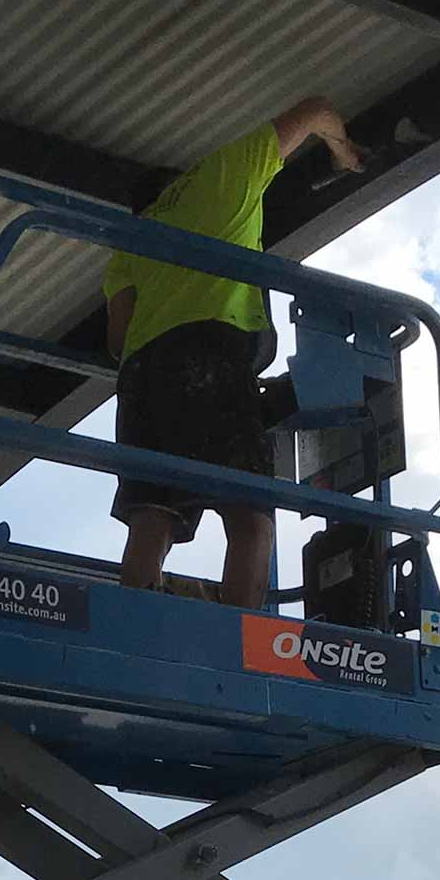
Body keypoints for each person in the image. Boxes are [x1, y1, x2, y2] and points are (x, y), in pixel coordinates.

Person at [104, 97, 366, 608]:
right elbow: (316, 110)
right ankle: (243, 638)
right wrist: (343, 151)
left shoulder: (129, 243)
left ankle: (130, 616)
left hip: (141, 377)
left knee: (153, 513)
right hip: (210, 355)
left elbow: (118, 340)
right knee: (250, 517)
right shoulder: (222, 177)